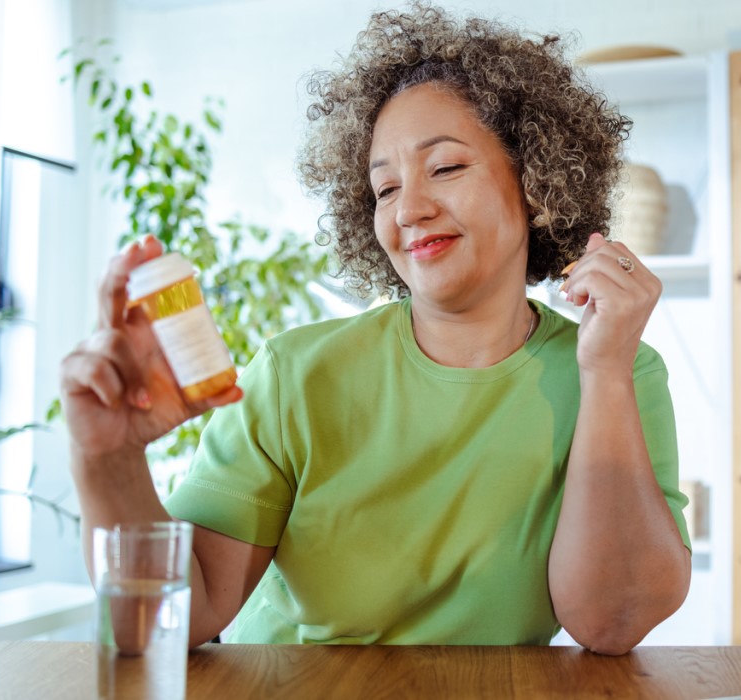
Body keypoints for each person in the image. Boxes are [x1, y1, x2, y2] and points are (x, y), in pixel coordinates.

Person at [61, 2, 691, 656]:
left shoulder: (618, 371)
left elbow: (610, 623)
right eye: (384, 189)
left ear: (535, 182)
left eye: (445, 168)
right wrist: (107, 457)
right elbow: (174, 617)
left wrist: (607, 374)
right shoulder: (295, 376)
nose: (410, 209)